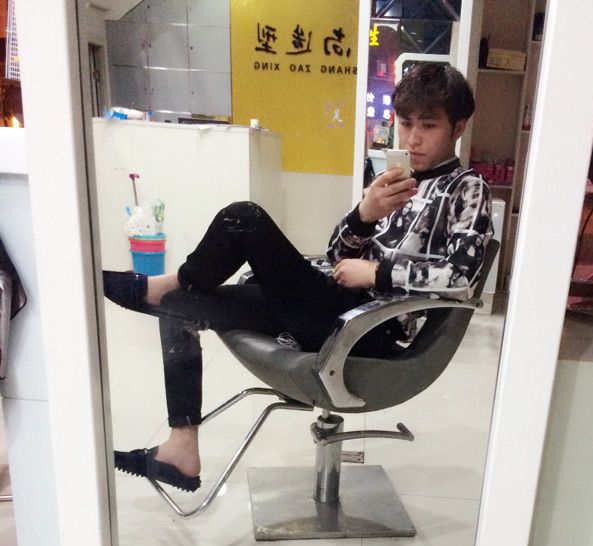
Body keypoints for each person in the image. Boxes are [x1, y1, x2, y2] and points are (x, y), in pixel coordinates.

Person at [104, 63, 493, 493]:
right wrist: (365, 215)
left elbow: (462, 278)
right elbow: (337, 255)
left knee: (243, 219)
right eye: (405, 123)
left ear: (458, 127)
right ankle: (181, 450)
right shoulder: (394, 182)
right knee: (177, 306)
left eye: (428, 126)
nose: (413, 138)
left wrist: (378, 272)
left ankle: (166, 280)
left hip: (369, 328)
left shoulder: (467, 188)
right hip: (331, 304)